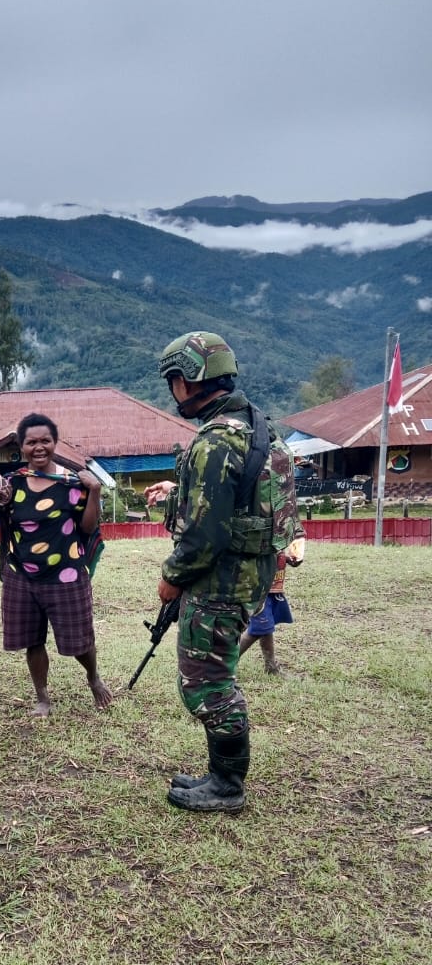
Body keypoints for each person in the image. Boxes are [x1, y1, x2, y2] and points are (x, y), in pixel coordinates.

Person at [145, 331, 296, 814]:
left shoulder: (215, 440)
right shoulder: (258, 427)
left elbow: (204, 535)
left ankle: (228, 784)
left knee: (206, 681)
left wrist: (172, 575)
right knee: (216, 672)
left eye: (174, 380)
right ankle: (220, 774)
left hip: (219, 581)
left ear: (188, 380)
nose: (173, 392)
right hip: (248, 576)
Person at [0, 413, 112, 717]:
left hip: (67, 576)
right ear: (21, 446)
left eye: (45, 441)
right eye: (31, 442)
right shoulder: (11, 486)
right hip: (22, 576)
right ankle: (42, 698)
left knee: (79, 641)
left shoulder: (72, 483)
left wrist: (96, 492)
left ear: (54, 443)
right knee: (33, 641)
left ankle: (93, 677)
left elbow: (87, 529)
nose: (39, 447)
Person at [240, 531, 306, 673]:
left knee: (266, 627)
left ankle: (271, 667)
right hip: (258, 591)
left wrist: (289, 558)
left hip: (271, 590)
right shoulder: (259, 530)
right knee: (260, 628)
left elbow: (276, 553)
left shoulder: (276, 532)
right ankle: (222, 666)